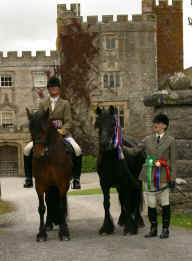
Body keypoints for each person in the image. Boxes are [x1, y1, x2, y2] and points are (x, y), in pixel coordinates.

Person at [123, 113, 176, 239]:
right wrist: (122, 147)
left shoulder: (171, 141)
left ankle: (165, 229)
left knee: (164, 202)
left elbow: (173, 161)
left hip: (163, 176)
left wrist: (173, 178)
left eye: (158, 123)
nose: (155, 125)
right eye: (155, 123)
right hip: (148, 176)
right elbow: (135, 151)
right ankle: (153, 229)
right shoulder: (147, 139)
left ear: (164, 126)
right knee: (151, 203)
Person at [23, 76, 82, 189]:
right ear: (48, 89)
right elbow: (39, 120)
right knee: (26, 150)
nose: (53, 89)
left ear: (59, 89)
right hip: (44, 136)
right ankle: (29, 178)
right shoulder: (42, 103)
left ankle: (76, 179)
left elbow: (69, 121)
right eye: (51, 87)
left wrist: (62, 131)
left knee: (77, 149)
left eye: (55, 87)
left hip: (62, 134)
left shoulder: (65, 103)